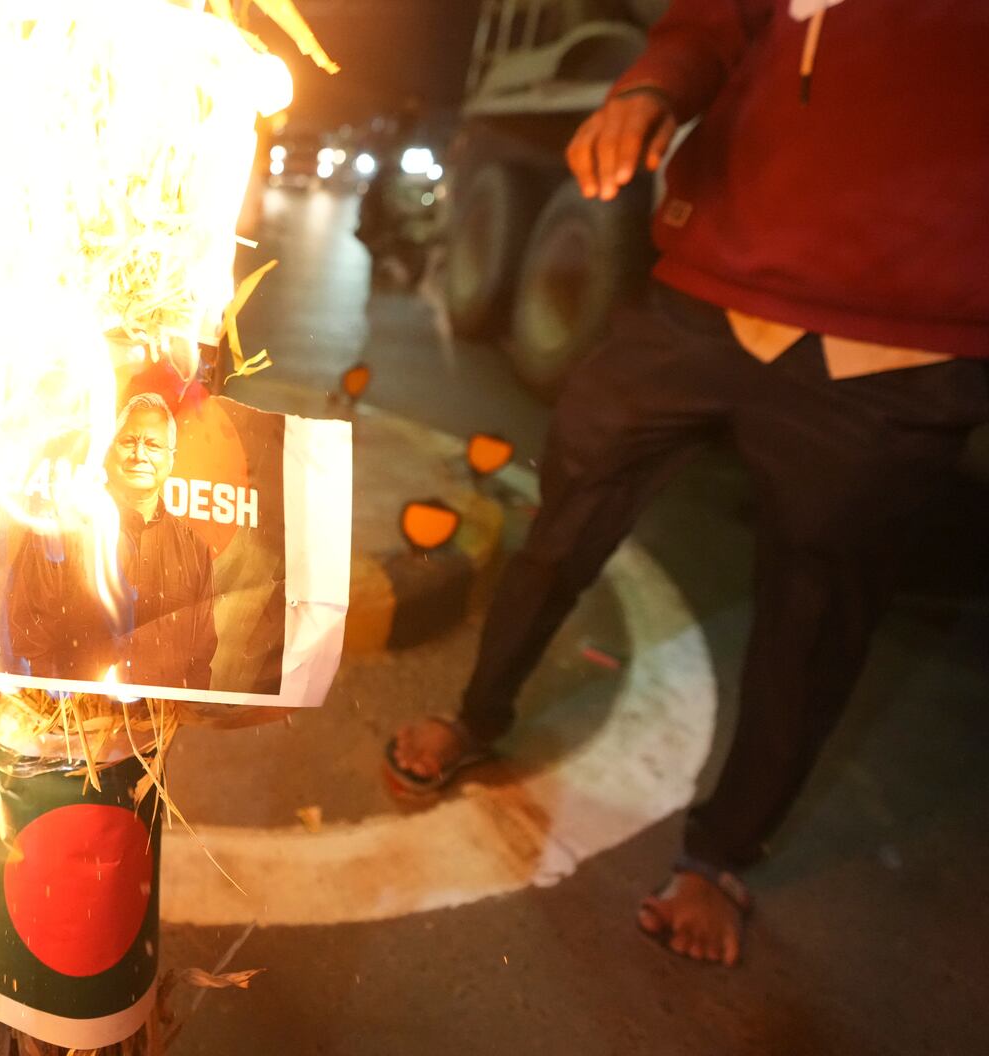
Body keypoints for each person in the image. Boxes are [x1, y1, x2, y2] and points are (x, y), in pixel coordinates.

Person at [387, 0, 989, 965]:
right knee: (567, 512)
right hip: (705, 283)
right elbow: (714, 19)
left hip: (900, 337)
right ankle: (477, 714)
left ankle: (718, 858)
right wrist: (649, 87)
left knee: (816, 616)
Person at [10, 392, 218, 690]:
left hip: (156, 729)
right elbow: (27, 640)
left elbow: (200, 656)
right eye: (129, 441)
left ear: (172, 459)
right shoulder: (61, 530)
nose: (140, 455)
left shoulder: (193, 550)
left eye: (154, 445)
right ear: (107, 451)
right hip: (70, 726)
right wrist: (61, 714)